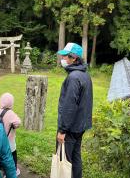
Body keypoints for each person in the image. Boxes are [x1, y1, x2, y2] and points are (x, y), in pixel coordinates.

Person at [56, 43, 93, 178]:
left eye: (65, 56)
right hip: (80, 126)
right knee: (76, 157)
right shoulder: (85, 75)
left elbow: (69, 106)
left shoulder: (73, 77)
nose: (63, 58)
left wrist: (62, 130)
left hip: (70, 128)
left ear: (74, 58)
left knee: (65, 160)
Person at [0, 93, 21, 176]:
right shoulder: (10, 113)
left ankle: (1, 170)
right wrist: (14, 125)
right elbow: (18, 122)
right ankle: (13, 170)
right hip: (9, 141)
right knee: (12, 155)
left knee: (1, 156)